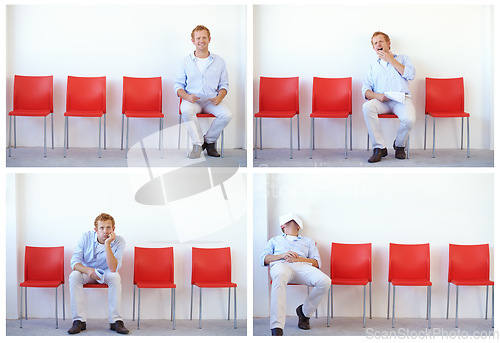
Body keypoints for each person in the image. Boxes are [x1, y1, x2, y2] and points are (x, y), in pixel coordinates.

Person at [261, 213, 331, 336]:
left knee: (325, 281)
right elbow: (264, 259)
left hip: (302, 266)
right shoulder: (274, 240)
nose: (291, 220)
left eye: (294, 221)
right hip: (281, 264)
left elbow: (316, 262)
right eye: (288, 221)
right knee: (280, 274)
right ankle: (277, 327)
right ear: (282, 225)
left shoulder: (308, 241)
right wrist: (281, 255)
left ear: (299, 226)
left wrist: (300, 260)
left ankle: (304, 313)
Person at [174, 25, 232, 159]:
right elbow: (178, 85)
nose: (201, 40)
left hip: (212, 100)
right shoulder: (185, 62)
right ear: (193, 41)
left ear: (209, 39)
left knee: (227, 114)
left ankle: (209, 141)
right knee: (186, 110)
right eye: (198, 38)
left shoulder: (219, 61)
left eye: (204, 37)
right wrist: (187, 96)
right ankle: (197, 144)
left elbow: (224, 84)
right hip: (192, 100)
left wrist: (220, 97)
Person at [67, 213, 129, 334]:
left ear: (113, 229)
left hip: (106, 272)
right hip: (87, 272)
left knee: (115, 277)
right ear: (96, 230)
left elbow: (113, 268)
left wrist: (107, 244)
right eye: (101, 228)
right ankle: (79, 321)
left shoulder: (119, 241)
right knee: (74, 275)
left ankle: (116, 321)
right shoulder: (85, 237)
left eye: (108, 227)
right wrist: (89, 270)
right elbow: (74, 263)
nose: (105, 231)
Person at [362, 31, 416, 163]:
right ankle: (379, 148)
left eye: (381, 41)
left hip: (401, 100)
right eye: (375, 43)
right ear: (374, 48)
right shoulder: (372, 67)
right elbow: (365, 90)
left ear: (388, 43)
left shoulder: (403, 59)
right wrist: (377, 96)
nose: (378, 44)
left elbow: (411, 75)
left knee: (409, 120)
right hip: (383, 101)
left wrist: (390, 60)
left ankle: (399, 145)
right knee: (367, 107)